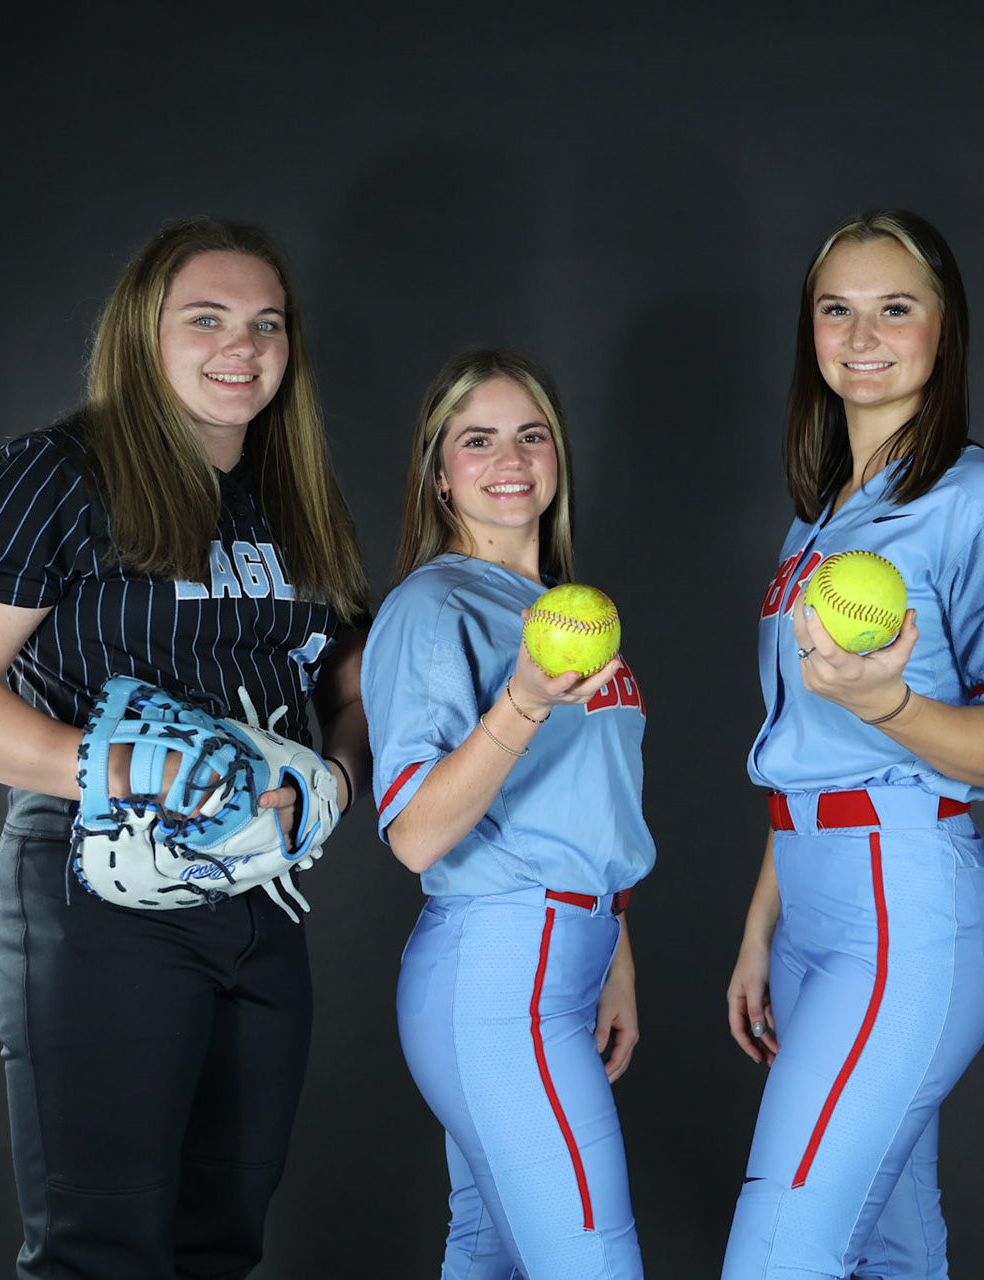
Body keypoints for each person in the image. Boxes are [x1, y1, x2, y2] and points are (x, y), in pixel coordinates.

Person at [0, 216, 369, 1279]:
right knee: (98, 1253)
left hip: (258, 898)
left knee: (220, 1242)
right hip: (98, 891)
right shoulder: (58, 472)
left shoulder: (288, 499)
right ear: (143, 335)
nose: (240, 346)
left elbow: (347, 679)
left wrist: (334, 776)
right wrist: (126, 767)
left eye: (266, 323)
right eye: (206, 318)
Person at [722, 209, 984, 1279]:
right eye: (837, 309)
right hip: (810, 902)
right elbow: (800, 747)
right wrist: (759, 926)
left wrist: (889, 707)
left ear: (943, 329)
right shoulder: (819, 517)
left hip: (903, 906)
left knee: (780, 1254)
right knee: (894, 1244)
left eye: (894, 308)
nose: (861, 335)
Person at [364, 348, 652, 1279]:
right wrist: (522, 701)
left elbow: (589, 807)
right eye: (477, 439)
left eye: (532, 435)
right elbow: (413, 832)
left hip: (569, 957)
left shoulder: (563, 609)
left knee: (487, 1252)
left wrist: (616, 955)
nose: (510, 457)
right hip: (494, 973)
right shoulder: (431, 604)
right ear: (439, 474)